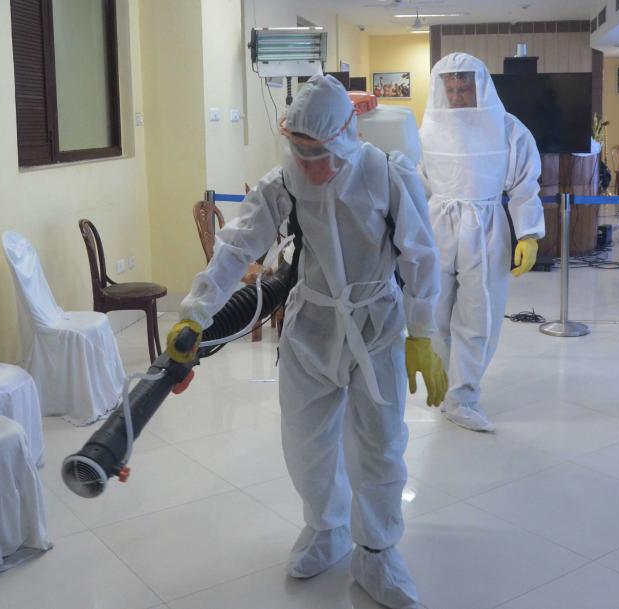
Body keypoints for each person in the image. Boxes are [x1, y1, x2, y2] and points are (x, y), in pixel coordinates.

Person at [167, 74, 447, 609]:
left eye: (319, 152)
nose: (310, 164)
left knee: (380, 446)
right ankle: (326, 528)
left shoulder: (386, 175)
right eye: (299, 150)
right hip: (311, 329)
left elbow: (420, 255)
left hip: (376, 327)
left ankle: (377, 551)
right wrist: (196, 313)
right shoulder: (284, 183)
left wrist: (423, 333)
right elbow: (236, 247)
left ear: (346, 136)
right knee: (305, 444)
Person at [419, 53, 544, 432]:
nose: (458, 96)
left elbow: (525, 183)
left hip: (487, 227)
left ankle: (464, 396)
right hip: (437, 227)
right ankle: (444, 387)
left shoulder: (507, 128)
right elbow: (415, 184)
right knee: (433, 313)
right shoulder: (427, 130)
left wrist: (528, 233)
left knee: (479, 315)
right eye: (452, 89)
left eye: (465, 88)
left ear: (480, 87)